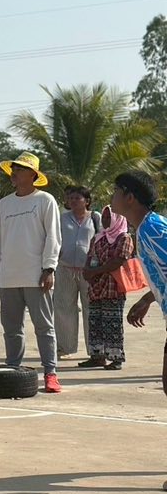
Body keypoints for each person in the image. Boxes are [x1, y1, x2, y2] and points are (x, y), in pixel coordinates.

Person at [0, 152, 61, 393]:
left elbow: (53, 237)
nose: (14, 173)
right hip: (8, 277)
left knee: (44, 326)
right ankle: (13, 368)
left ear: (33, 175)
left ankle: (50, 373)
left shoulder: (45, 200)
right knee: (12, 329)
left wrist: (49, 268)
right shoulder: (4, 204)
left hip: (37, 276)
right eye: (13, 169)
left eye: (20, 169)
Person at [110, 171, 167, 403]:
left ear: (130, 197)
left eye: (116, 191)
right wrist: (148, 298)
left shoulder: (153, 229)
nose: (111, 196)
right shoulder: (145, 228)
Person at [81, 206, 133, 369]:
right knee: (95, 322)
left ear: (117, 219)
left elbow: (118, 261)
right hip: (96, 287)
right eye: (103, 218)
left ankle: (116, 359)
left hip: (113, 287)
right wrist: (87, 271)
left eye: (109, 217)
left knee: (112, 324)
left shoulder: (124, 238)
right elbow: (90, 256)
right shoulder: (97, 238)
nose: (105, 221)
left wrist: (95, 271)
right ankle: (97, 356)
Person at [56, 185, 100, 357]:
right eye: (71, 198)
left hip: (89, 271)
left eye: (77, 198)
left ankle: (94, 349)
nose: (73, 201)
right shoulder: (62, 218)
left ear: (87, 201)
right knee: (64, 309)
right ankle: (65, 347)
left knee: (91, 309)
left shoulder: (95, 218)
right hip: (65, 268)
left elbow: (103, 238)